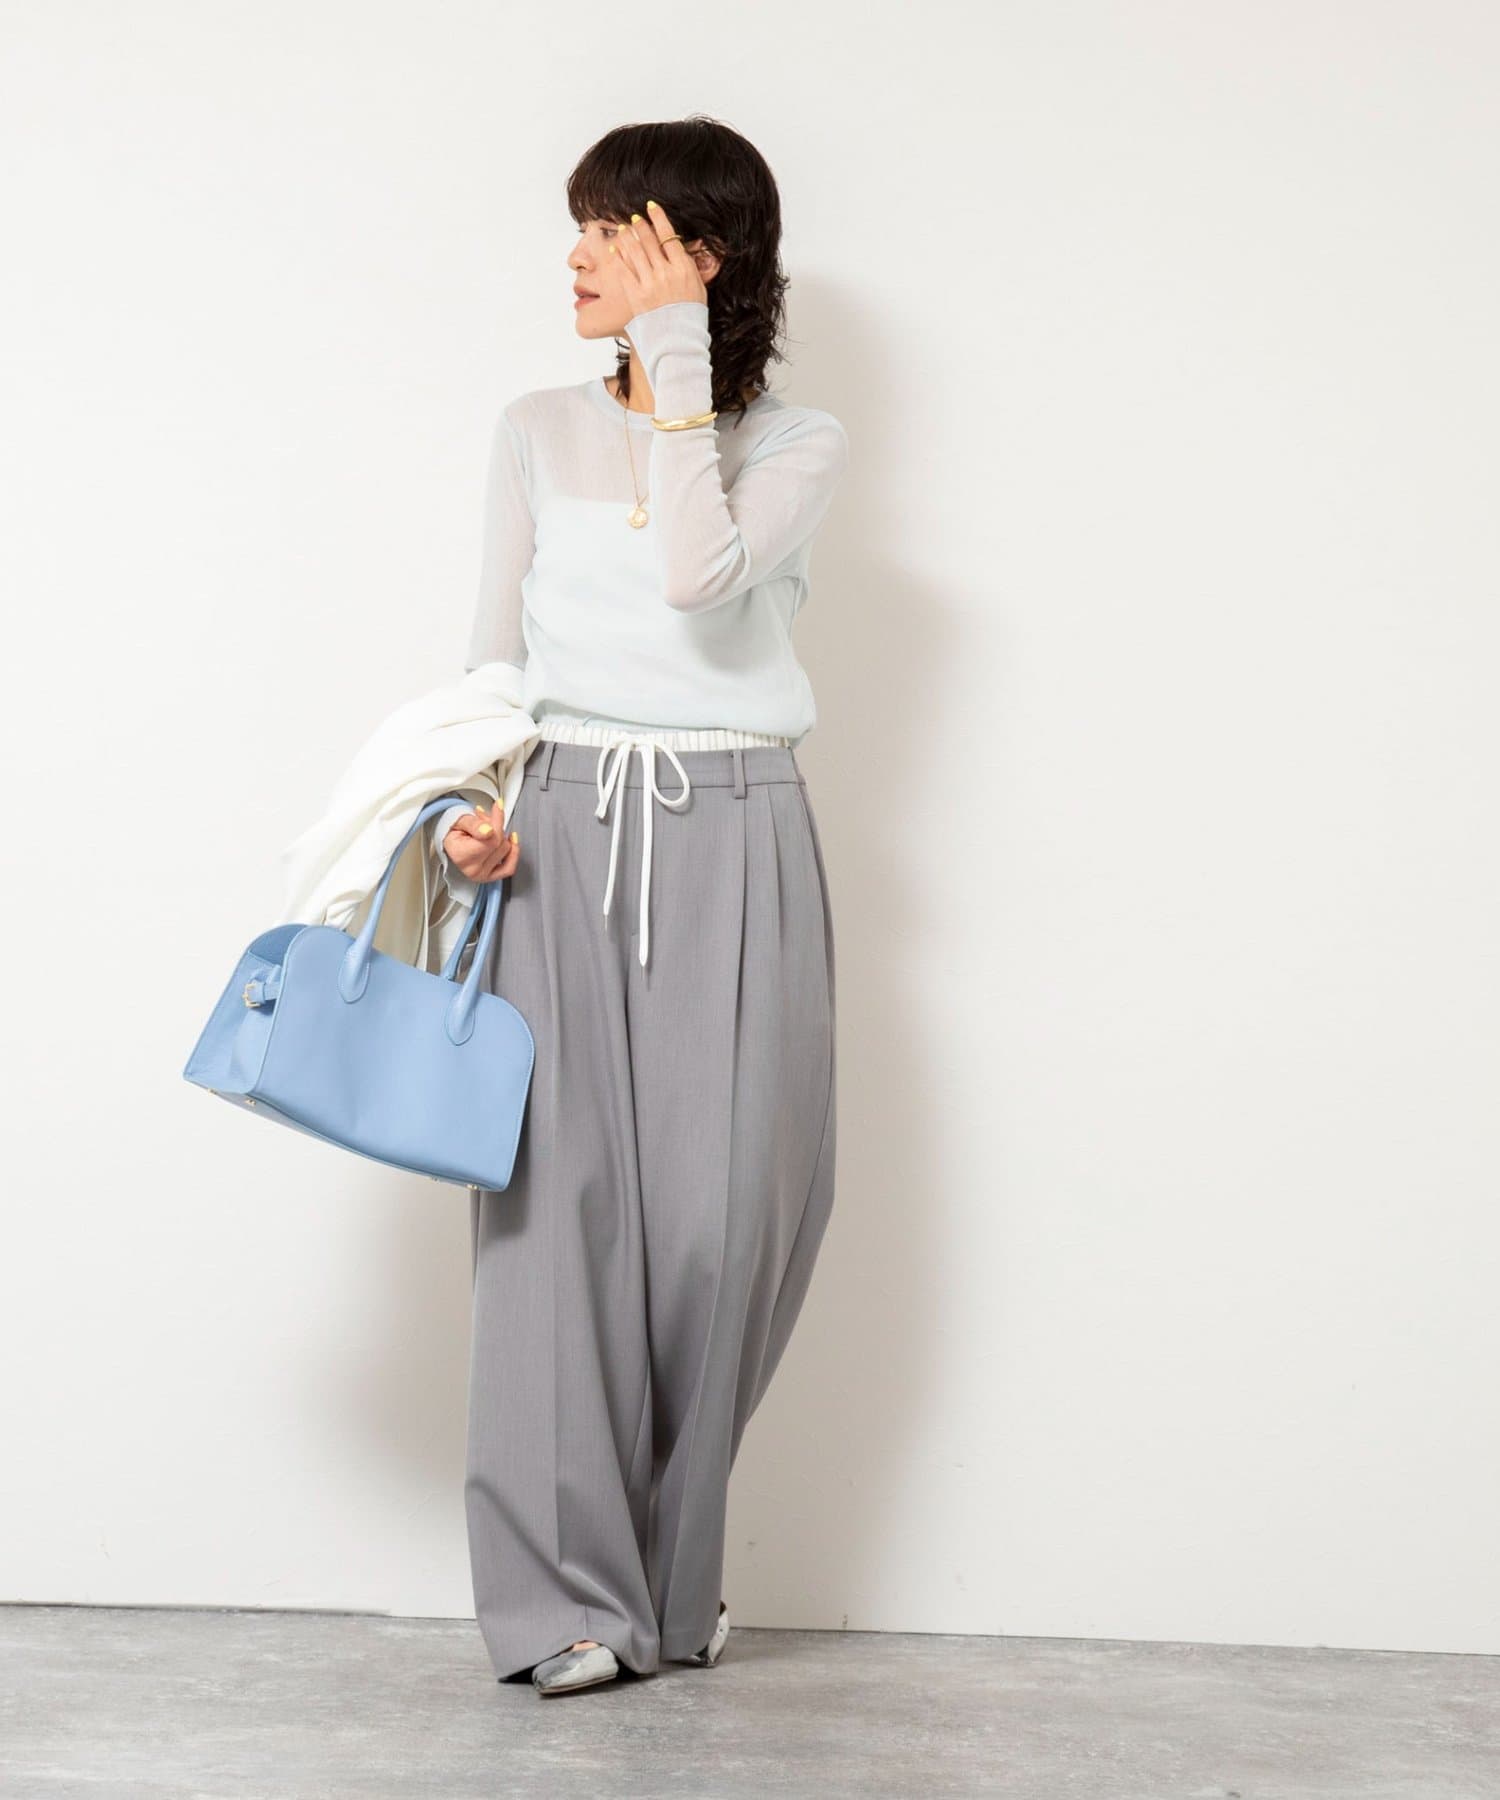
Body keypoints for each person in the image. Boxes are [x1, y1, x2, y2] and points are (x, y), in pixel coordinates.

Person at [436, 116, 848, 1698]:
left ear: (699, 256)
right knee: (554, 1226)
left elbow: (697, 575)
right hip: (557, 829)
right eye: (585, 228)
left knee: (725, 1225)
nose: (577, 257)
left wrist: (678, 368)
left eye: (614, 231)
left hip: (738, 830)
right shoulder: (534, 427)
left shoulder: (795, 443)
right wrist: (468, 808)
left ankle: (674, 1584)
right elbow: (495, 650)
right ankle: (565, 1603)